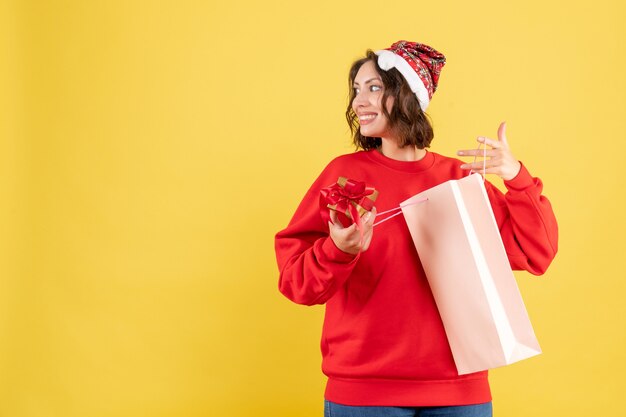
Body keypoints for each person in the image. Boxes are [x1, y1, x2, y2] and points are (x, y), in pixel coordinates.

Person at [274, 40, 558, 417]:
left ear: (407, 94)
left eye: (374, 87)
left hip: (460, 393)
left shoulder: (457, 180)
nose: (358, 101)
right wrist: (338, 251)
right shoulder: (343, 177)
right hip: (364, 394)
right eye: (356, 90)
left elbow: (535, 251)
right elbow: (296, 283)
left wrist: (516, 177)